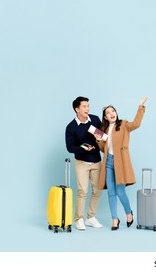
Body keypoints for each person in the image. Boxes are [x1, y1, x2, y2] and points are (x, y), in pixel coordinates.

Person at [96, 96, 148, 230]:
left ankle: (128, 212)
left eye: (113, 111)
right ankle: (115, 219)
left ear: (116, 113)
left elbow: (136, 124)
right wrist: (98, 140)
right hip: (108, 162)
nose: (111, 113)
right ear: (105, 117)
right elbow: (103, 149)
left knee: (120, 192)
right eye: (108, 112)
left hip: (120, 163)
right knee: (111, 193)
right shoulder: (105, 130)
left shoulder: (124, 124)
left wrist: (140, 107)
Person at [65, 96, 104, 230]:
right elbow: (70, 147)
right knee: (82, 191)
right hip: (81, 161)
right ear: (77, 109)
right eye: (84, 106)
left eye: (88, 106)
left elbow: (103, 137)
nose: (87, 108)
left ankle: (91, 217)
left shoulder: (95, 119)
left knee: (97, 190)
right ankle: (79, 219)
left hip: (96, 160)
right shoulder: (71, 127)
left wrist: (99, 138)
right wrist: (83, 148)